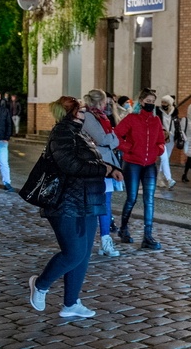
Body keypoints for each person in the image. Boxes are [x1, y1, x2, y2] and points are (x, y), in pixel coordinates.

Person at [28, 96, 123, 319]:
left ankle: (71, 303)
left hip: (87, 200)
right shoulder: (62, 133)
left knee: (83, 255)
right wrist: (105, 171)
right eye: (80, 111)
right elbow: (70, 164)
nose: (84, 114)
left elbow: (89, 161)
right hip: (65, 203)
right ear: (69, 113)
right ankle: (40, 285)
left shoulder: (78, 134)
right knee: (73, 253)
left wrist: (107, 166)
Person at [114, 88, 165, 249]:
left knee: (149, 200)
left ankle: (147, 236)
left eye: (152, 102)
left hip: (150, 164)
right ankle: (123, 228)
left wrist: (158, 151)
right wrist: (128, 148)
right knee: (132, 198)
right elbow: (116, 135)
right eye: (147, 101)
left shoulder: (156, 121)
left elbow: (161, 141)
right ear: (141, 102)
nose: (150, 104)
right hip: (132, 164)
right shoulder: (131, 119)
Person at [82, 89, 122, 257]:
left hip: (107, 162)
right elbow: (104, 139)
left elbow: (110, 137)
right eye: (105, 102)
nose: (106, 105)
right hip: (98, 163)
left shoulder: (102, 117)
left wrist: (112, 138)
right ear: (99, 102)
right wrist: (113, 138)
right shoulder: (89, 117)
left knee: (106, 203)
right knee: (98, 203)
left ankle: (104, 240)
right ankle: (95, 241)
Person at [156, 95, 178, 189]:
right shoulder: (158, 112)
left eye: (165, 102)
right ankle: (168, 179)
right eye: (162, 102)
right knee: (164, 158)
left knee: (165, 158)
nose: (163, 104)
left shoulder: (174, 113)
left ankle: (160, 177)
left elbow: (177, 125)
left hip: (171, 138)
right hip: (162, 138)